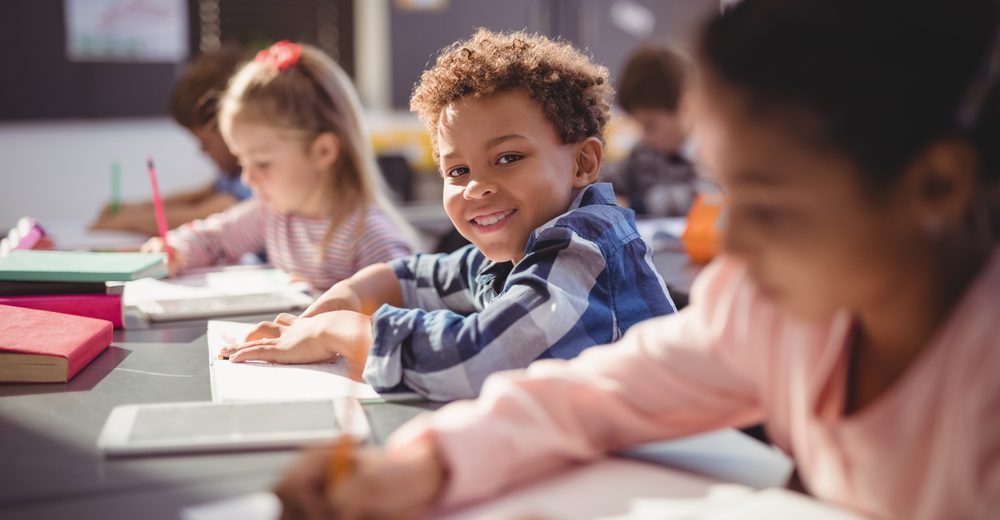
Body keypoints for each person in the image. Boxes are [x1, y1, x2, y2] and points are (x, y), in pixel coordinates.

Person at [272, 0, 1000, 518]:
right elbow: (593, 395)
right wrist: (426, 465)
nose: (732, 247)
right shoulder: (767, 308)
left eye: (771, 203)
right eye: (727, 186)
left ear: (935, 185)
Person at [219, 30, 676, 401]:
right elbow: (419, 276)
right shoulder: (517, 245)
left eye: (508, 157)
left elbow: (480, 361)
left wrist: (342, 330)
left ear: (583, 163)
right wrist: (347, 296)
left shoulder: (583, 251)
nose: (476, 187)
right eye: (457, 170)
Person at [142, 41, 415, 292]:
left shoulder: (373, 241)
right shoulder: (273, 216)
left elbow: (401, 327)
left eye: (261, 163)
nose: (247, 179)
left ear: (323, 151)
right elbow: (212, 238)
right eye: (242, 162)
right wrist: (176, 250)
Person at [91, 45, 251, 235]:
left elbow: (211, 212)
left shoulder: (255, 171)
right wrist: (136, 207)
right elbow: (198, 196)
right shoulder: (232, 174)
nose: (202, 151)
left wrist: (127, 220)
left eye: (205, 142)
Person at [604, 44, 699, 217]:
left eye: (650, 125)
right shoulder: (644, 151)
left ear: (685, 107)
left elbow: (699, 198)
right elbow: (614, 180)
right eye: (639, 126)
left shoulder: (708, 155)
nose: (644, 136)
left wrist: (635, 204)